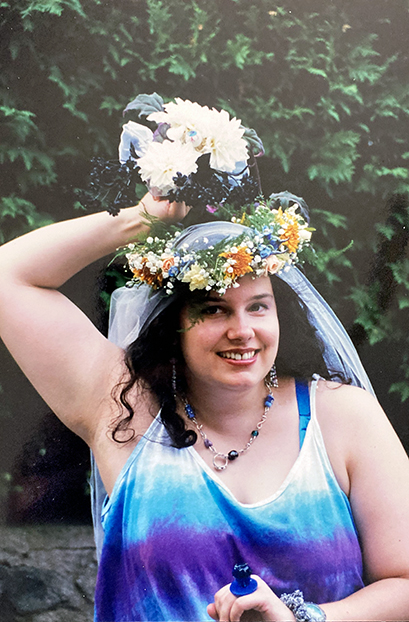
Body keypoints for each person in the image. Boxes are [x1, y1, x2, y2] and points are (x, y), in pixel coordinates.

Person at [1, 96, 409, 622]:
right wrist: (142, 219)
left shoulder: (343, 417)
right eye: (214, 309)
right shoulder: (120, 405)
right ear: (174, 322)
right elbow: (9, 276)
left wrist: (303, 620)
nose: (243, 331)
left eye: (258, 307)